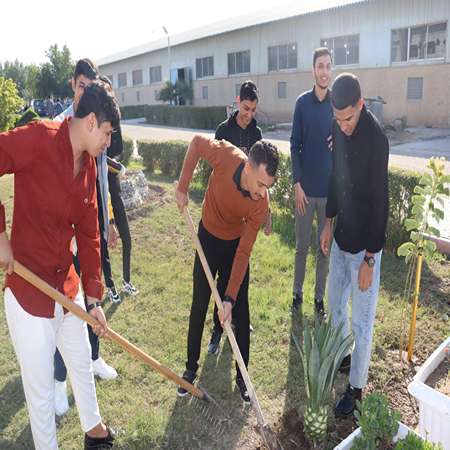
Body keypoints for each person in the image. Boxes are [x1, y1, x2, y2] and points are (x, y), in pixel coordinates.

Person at [0, 80, 119, 450]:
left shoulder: (88, 168)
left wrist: (95, 300)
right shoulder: (38, 139)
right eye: (107, 132)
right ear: (90, 122)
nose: (108, 142)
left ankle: (94, 432)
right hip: (28, 294)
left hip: (67, 286)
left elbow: (89, 236)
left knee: (81, 362)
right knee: (40, 398)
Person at [175, 135, 279, 402]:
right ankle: (189, 369)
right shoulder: (226, 156)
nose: (262, 192)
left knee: (241, 311)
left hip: (234, 244)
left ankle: (243, 378)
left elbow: (244, 251)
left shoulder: (261, 202)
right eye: (259, 183)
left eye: (267, 186)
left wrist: (230, 297)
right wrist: (182, 187)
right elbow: (196, 143)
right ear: (247, 167)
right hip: (208, 238)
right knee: (199, 303)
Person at [320, 73, 389, 418]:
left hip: (364, 249)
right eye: (337, 118)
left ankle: (357, 389)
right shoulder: (337, 127)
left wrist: (371, 259)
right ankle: (344, 358)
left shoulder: (377, 141)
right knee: (335, 307)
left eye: (347, 118)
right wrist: (328, 222)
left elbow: (381, 202)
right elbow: (336, 176)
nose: (342, 126)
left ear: (361, 105)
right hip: (341, 238)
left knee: (362, 323)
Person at [53, 59, 118, 418]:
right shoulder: (61, 127)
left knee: (93, 298)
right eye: (81, 85)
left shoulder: (99, 128)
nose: (85, 92)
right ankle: (58, 381)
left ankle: (92, 358)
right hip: (63, 243)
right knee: (61, 310)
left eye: (91, 85)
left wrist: (106, 219)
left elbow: (99, 185)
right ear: (73, 85)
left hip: (91, 230)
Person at [207, 80, 269, 355]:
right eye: (246, 108)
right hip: (223, 216)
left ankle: (240, 321)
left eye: (253, 110)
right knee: (221, 275)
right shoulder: (224, 130)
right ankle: (217, 329)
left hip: (247, 216)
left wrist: (265, 212)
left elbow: (264, 178)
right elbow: (213, 170)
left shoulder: (257, 132)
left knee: (241, 272)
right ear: (237, 102)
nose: (249, 114)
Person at [290, 47, 333, 318]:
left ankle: (319, 298)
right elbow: (294, 145)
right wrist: (296, 183)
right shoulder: (302, 103)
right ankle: (297, 293)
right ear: (313, 70)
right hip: (305, 192)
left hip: (329, 194)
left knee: (324, 250)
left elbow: (345, 142)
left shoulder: (337, 104)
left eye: (328, 66)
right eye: (320, 66)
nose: (325, 71)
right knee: (301, 247)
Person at [100, 75, 138, 297]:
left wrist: (110, 159)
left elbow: (119, 147)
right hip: (100, 189)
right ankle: (110, 287)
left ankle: (126, 281)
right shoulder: (94, 119)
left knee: (127, 238)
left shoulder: (114, 119)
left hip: (114, 185)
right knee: (103, 245)